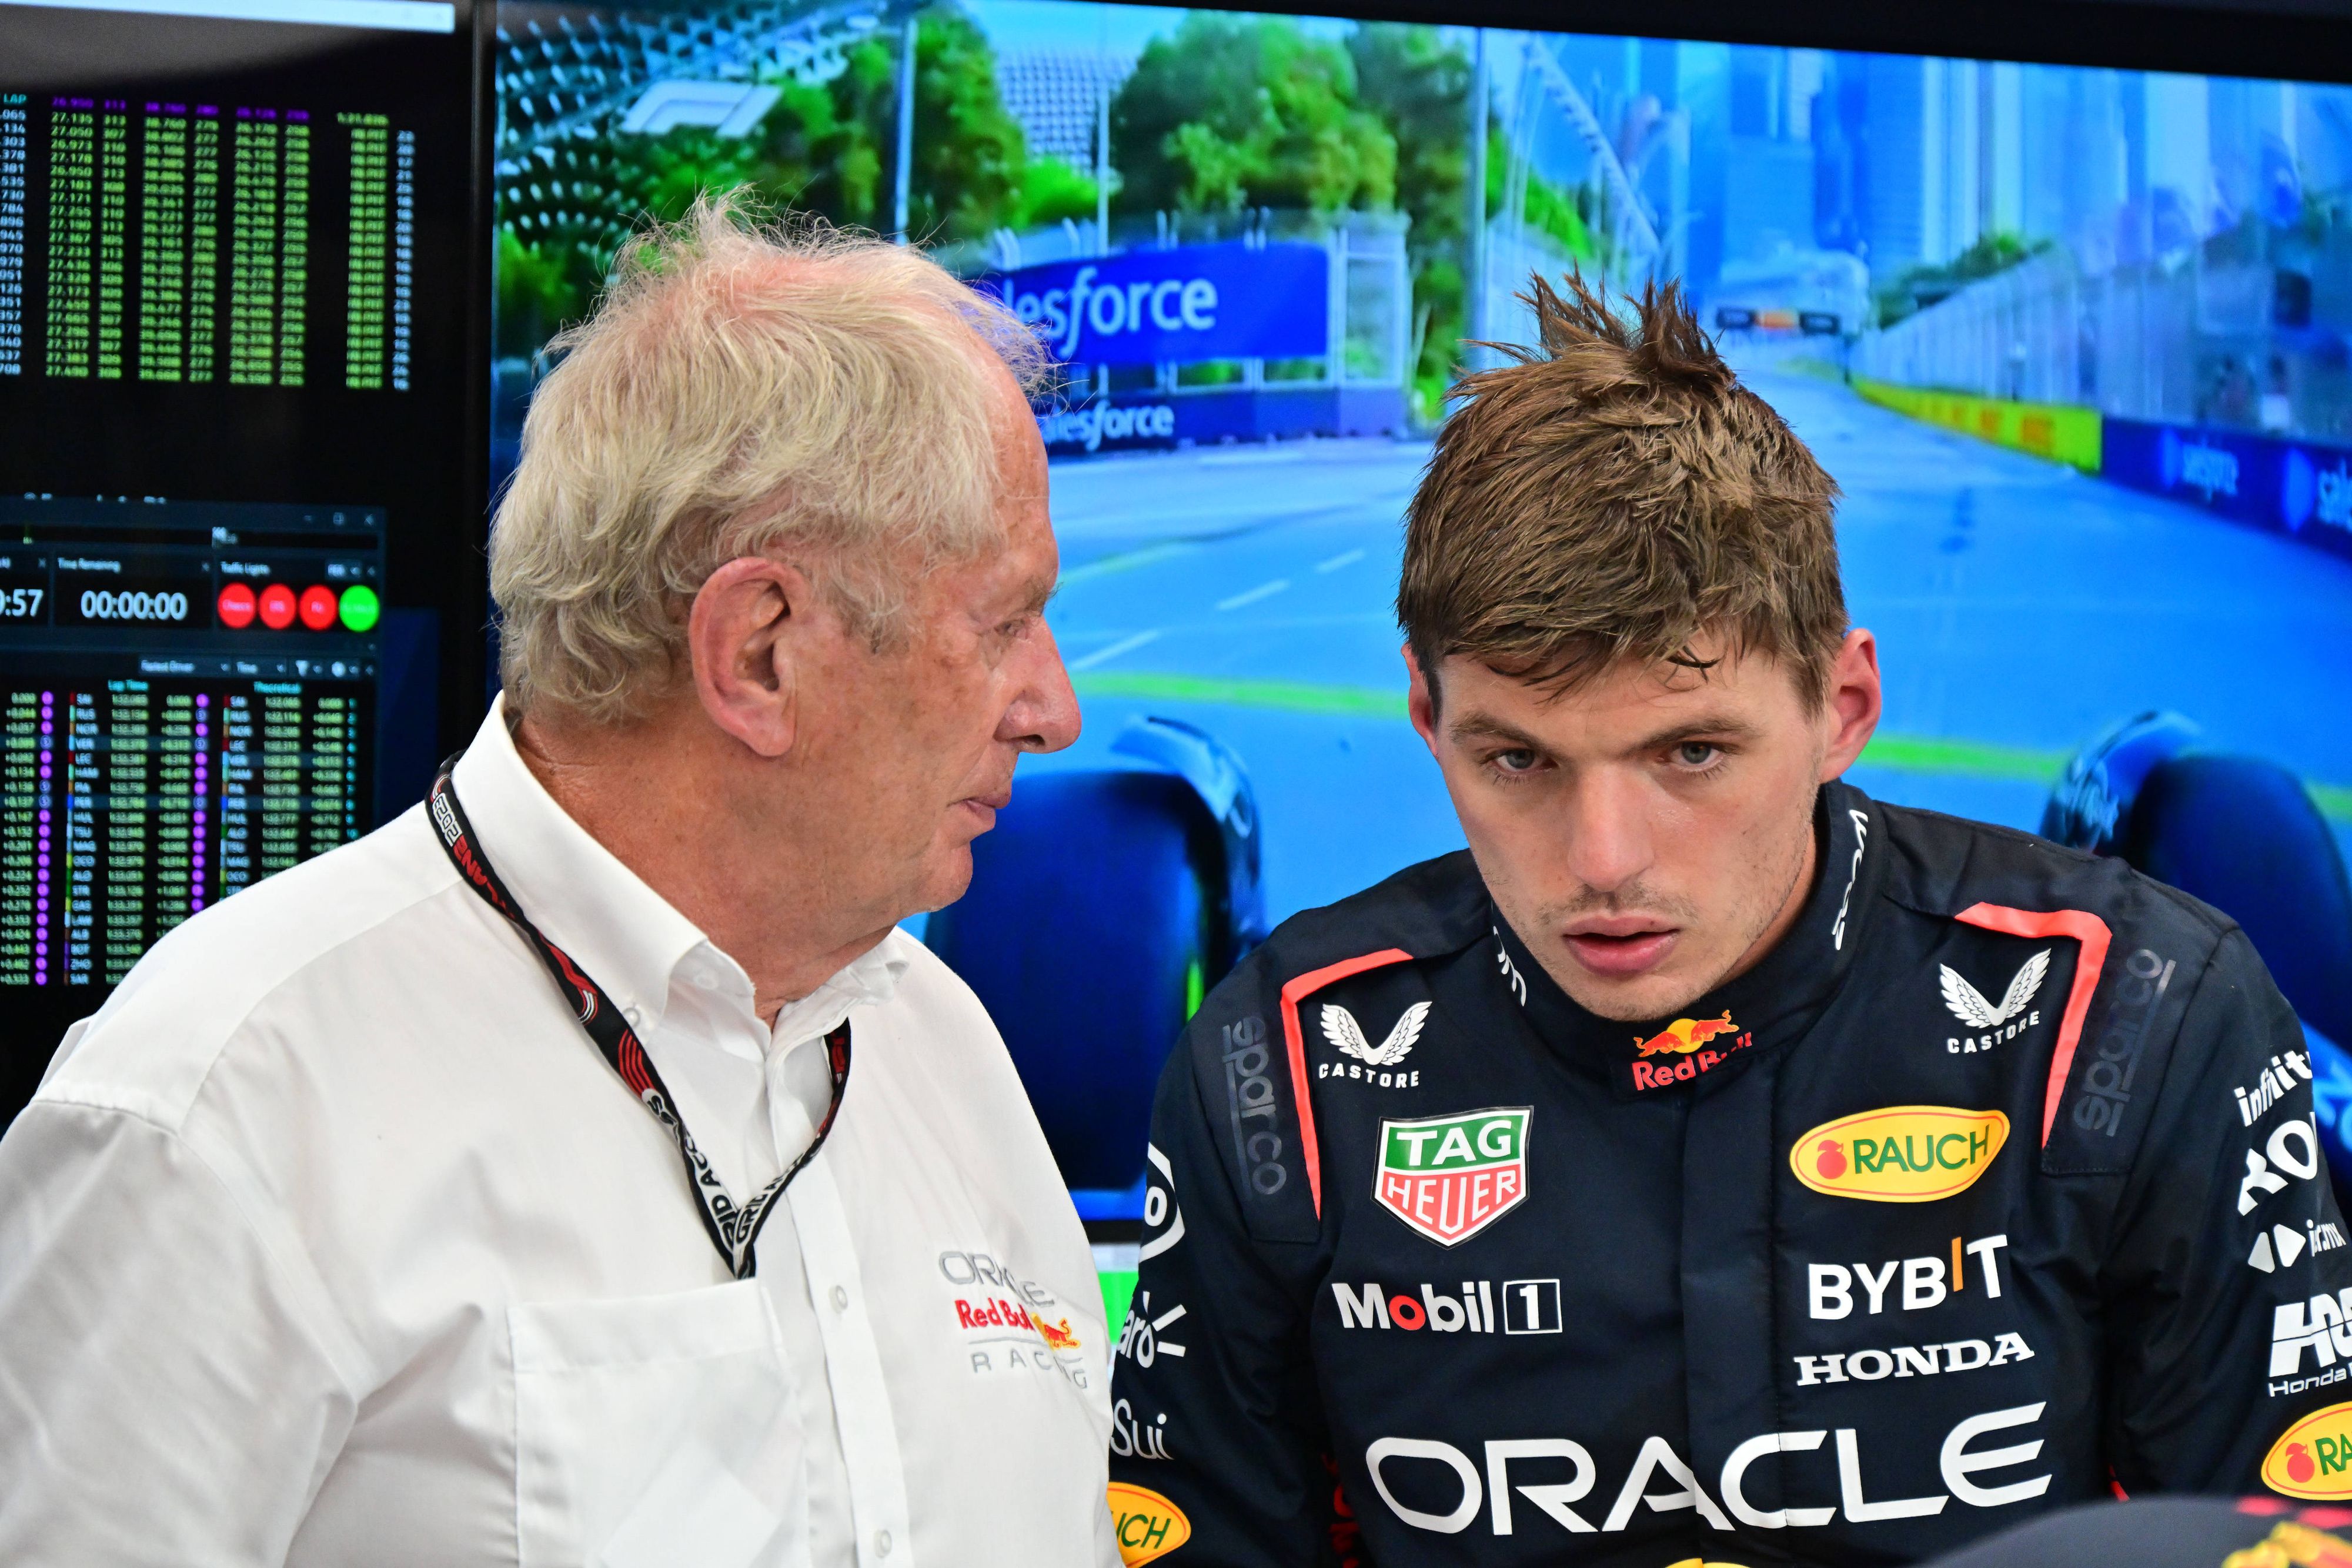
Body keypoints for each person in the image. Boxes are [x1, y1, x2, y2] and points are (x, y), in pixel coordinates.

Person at [1104, 276, 2352, 1566]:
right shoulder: (1283, 1069)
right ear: (1426, 717)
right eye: (1516, 760)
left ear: (1842, 704)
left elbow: (2287, 1536)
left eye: (1691, 751)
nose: (1601, 861)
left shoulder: (2135, 1016)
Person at [0, 198, 1116, 1567]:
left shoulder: (942, 1049)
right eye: (1002, 622)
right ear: (758, 651)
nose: (1052, 708)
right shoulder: (221, 1106)